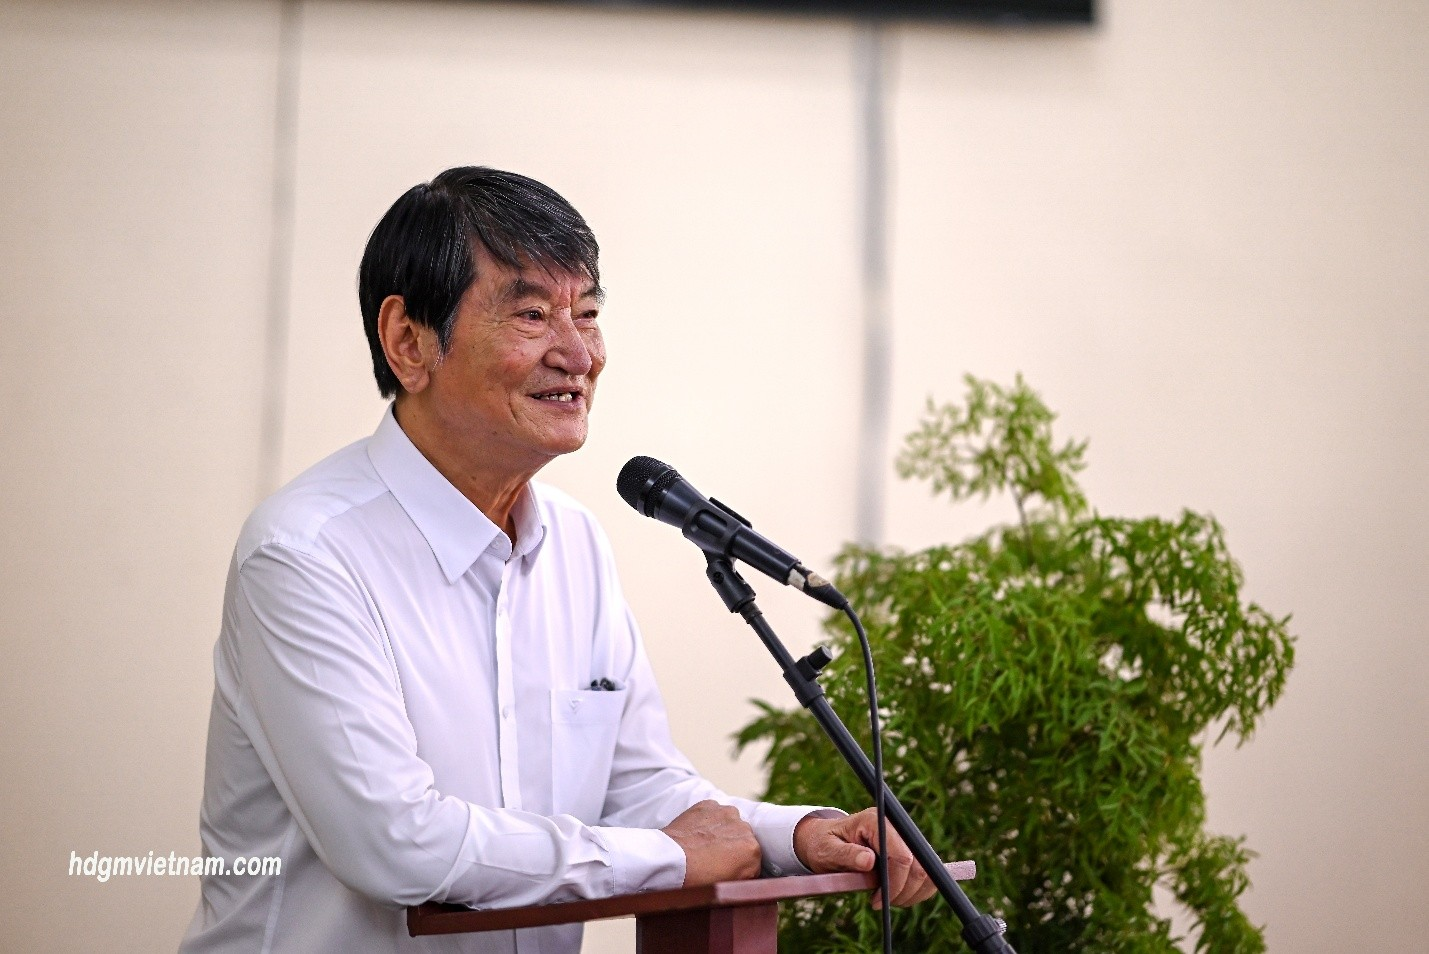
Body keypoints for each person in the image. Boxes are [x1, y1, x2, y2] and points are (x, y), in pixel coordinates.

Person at [180, 167, 933, 954]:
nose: (578, 354)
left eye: (588, 313)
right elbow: (397, 845)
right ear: (409, 341)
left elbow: (639, 788)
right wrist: (672, 858)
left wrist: (802, 836)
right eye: (533, 314)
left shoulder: (575, 542)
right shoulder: (304, 555)